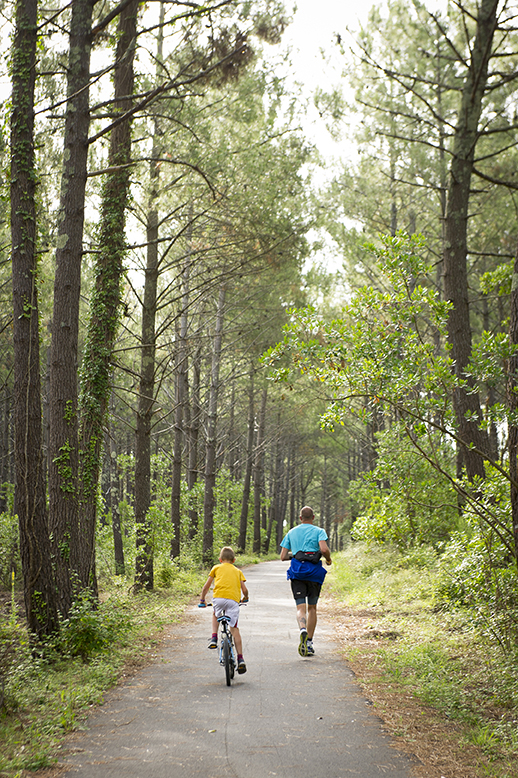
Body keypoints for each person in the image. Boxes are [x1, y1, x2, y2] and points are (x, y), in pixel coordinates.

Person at [280, 506, 332, 657]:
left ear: (300, 518)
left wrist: (297, 556)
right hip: (315, 574)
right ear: (313, 517)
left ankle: (302, 628)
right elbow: (323, 549)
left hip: (297, 574)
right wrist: (328, 559)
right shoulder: (319, 531)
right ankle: (309, 641)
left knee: (300, 608)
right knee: (312, 608)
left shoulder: (292, 532)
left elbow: (282, 556)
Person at [199, 546, 249, 674]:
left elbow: (206, 587)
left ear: (220, 559)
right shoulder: (237, 571)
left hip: (218, 599)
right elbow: (244, 590)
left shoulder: (216, 568)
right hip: (233, 601)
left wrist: (202, 600)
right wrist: (245, 598)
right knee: (234, 629)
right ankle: (240, 659)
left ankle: (214, 637)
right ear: (234, 560)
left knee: (216, 614)